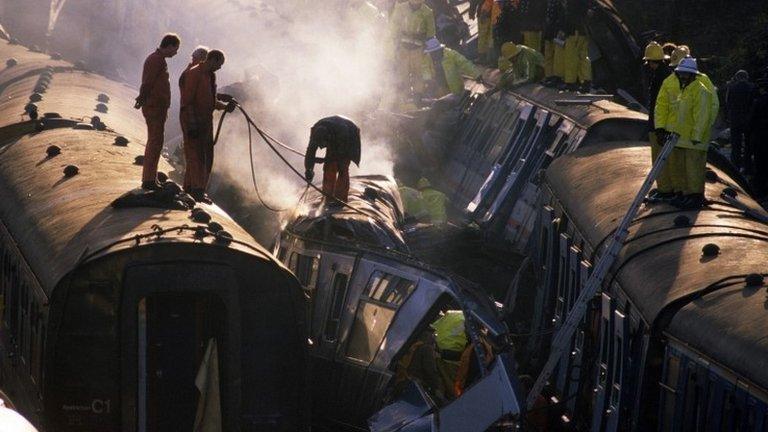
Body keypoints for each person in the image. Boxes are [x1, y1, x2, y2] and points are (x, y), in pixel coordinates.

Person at [654, 47, 717, 203]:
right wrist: (660, 128)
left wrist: (697, 134)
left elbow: (705, 112)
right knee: (679, 168)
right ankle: (682, 194)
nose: (680, 75)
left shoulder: (701, 88)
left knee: (693, 167)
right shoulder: (671, 82)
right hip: (676, 135)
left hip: (692, 137)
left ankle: (694, 196)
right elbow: (661, 105)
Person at [180, 50, 235, 203]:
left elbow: (210, 100)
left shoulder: (210, 75)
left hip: (205, 121)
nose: (220, 68)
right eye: (219, 64)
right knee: (195, 156)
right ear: (212, 60)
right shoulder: (194, 74)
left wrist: (224, 106)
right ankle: (195, 190)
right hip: (194, 121)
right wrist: (191, 125)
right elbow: (187, 101)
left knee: (205, 157)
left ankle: (195, 188)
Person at [134, 33, 180, 190]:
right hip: (154, 107)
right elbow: (148, 82)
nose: (176, 53)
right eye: (176, 49)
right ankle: (148, 180)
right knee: (155, 142)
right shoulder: (156, 60)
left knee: (155, 142)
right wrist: (142, 98)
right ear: (170, 45)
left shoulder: (157, 59)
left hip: (156, 106)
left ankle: (150, 177)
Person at [304, 116, 362, 203]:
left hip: (349, 133)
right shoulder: (316, 132)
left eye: (323, 144)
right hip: (335, 134)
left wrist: (327, 159)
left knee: (342, 166)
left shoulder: (342, 134)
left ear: (328, 138)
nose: (321, 147)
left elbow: (339, 155)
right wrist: (309, 169)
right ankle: (327, 197)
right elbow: (310, 152)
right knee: (329, 167)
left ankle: (340, 199)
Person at [641, 42, 673, 201]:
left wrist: (658, 127)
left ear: (652, 61)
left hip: (658, 124)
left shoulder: (661, 77)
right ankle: (665, 188)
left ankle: (665, 189)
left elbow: (659, 105)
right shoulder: (666, 74)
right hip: (661, 123)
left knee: (659, 157)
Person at [389, 0, 436, 95]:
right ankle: (404, 96)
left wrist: (426, 49)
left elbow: (431, 33)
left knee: (418, 73)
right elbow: (394, 26)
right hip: (403, 47)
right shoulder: (401, 8)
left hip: (418, 49)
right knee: (403, 73)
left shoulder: (427, 12)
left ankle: (417, 96)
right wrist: (395, 43)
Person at [725, 70, 756, 172]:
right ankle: (748, 167)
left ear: (736, 77)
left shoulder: (732, 87)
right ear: (746, 77)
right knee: (748, 144)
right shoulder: (752, 87)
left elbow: (727, 102)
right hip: (749, 120)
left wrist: (729, 116)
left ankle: (735, 167)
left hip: (735, 119)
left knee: (735, 144)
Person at [749, 78, 768, 196]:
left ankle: (760, 188)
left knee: (760, 162)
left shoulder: (759, 101)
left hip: (760, 135)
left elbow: (752, 120)